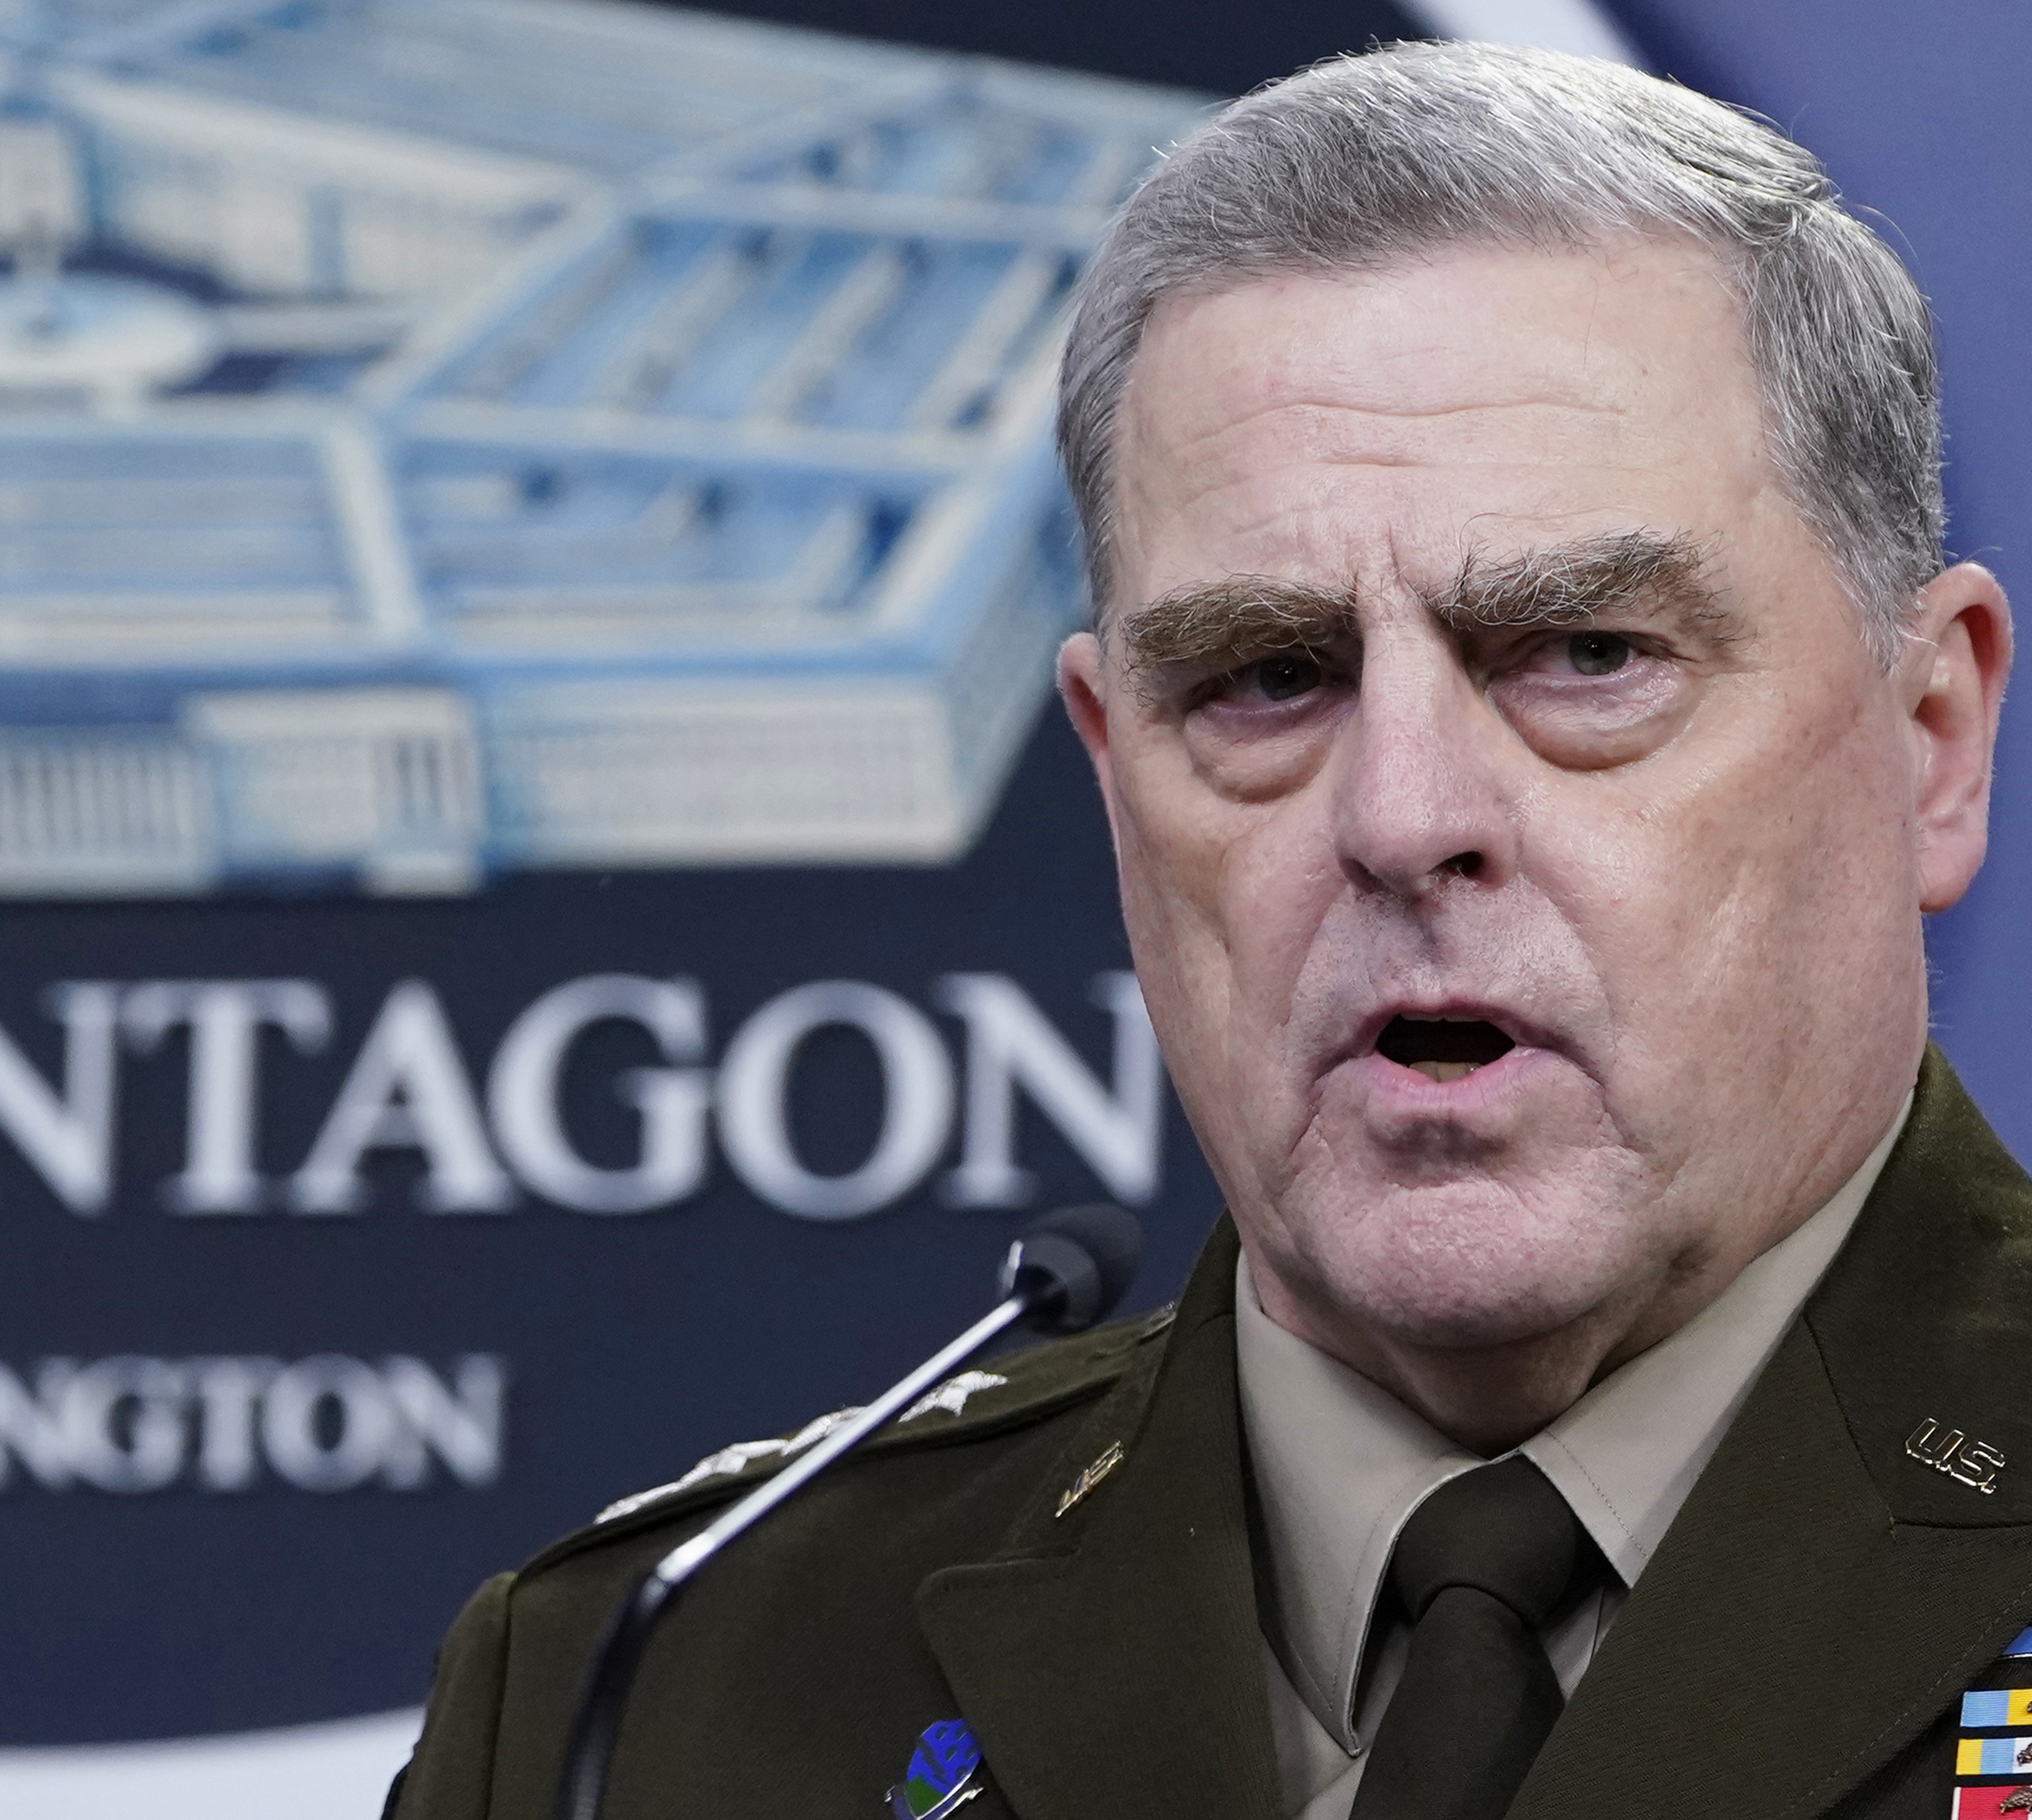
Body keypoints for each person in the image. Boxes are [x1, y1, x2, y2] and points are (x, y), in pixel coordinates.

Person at [385, 40, 2020, 1820]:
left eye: (1584, 657)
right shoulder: (652, 1690)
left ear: (1928, 737)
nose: (1403, 817)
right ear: (1113, 773)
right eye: (1268, 678)